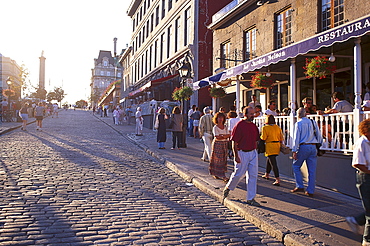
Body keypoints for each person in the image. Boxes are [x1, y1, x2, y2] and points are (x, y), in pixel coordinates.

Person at [223, 107, 261, 207]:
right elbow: (234, 142)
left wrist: (256, 154)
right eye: (251, 114)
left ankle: (250, 198)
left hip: (252, 152)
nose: (253, 115)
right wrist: (236, 155)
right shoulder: (239, 125)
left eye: (254, 114)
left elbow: (256, 140)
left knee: (253, 175)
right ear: (245, 114)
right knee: (239, 173)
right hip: (242, 152)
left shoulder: (254, 126)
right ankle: (228, 187)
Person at [346, 119, 370, 244]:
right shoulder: (361, 143)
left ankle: (356, 220)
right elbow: (357, 163)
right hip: (365, 177)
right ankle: (367, 239)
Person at [291, 107, 323, 197]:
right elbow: (319, 136)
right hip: (313, 146)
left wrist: (294, 150)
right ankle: (311, 190)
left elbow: (296, 138)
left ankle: (300, 185)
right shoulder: (312, 122)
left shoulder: (298, 124)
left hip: (303, 146)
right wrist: (319, 145)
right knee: (312, 170)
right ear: (305, 114)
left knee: (296, 166)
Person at [260, 115, 284, 186]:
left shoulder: (265, 128)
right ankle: (267, 174)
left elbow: (263, 137)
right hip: (277, 145)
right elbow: (281, 137)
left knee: (273, 163)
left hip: (270, 145)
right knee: (270, 159)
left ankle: (277, 179)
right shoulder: (277, 127)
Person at [209, 112, 230, 182]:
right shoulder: (215, 127)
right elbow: (217, 137)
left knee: (223, 159)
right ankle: (221, 175)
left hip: (224, 144)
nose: (220, 119)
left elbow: (228, 135)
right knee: (217, 159)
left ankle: (220, 173)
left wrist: (222, 136)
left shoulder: (225, 127)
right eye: (219, 118)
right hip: (217, 144)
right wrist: (223, 136)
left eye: (222, 118)